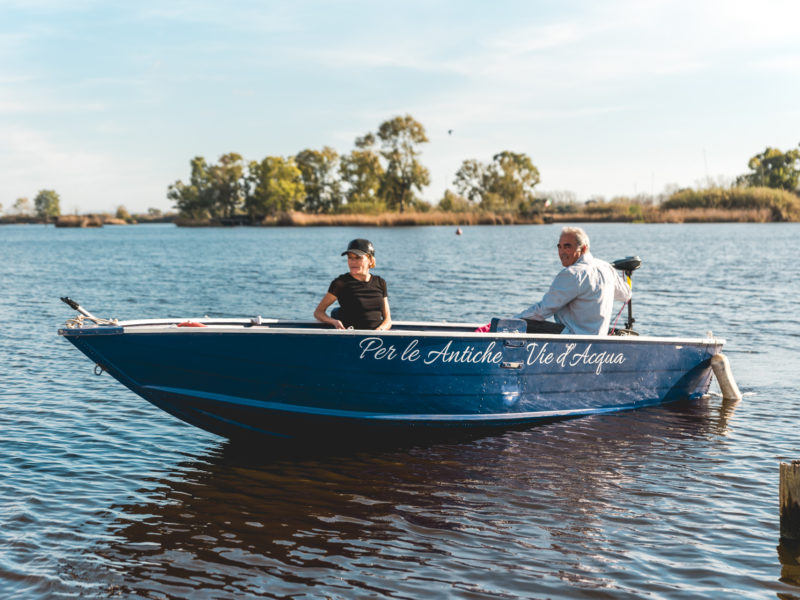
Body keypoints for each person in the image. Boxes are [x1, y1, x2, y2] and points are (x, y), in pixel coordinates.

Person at [515, 226, 631, 335]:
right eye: (559, 247)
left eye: (567, 246)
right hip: (598, 340)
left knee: (518, 324)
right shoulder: (606, 268)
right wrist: (628, 275)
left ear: (584, 248)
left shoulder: (572, 274)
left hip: (573, 341)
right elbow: (626, 295)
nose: (561, 252)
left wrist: (511, 321)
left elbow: (542, 311)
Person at [314, 238, 392, 331]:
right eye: (350, 258)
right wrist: (334, 322)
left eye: (358, 258)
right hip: (351, 338)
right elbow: (318, 312)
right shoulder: (340, 283)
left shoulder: (380, 282)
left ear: (370, 260)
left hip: (375, 340)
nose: (353, 262)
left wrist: (379, 331)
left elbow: (388, 319)